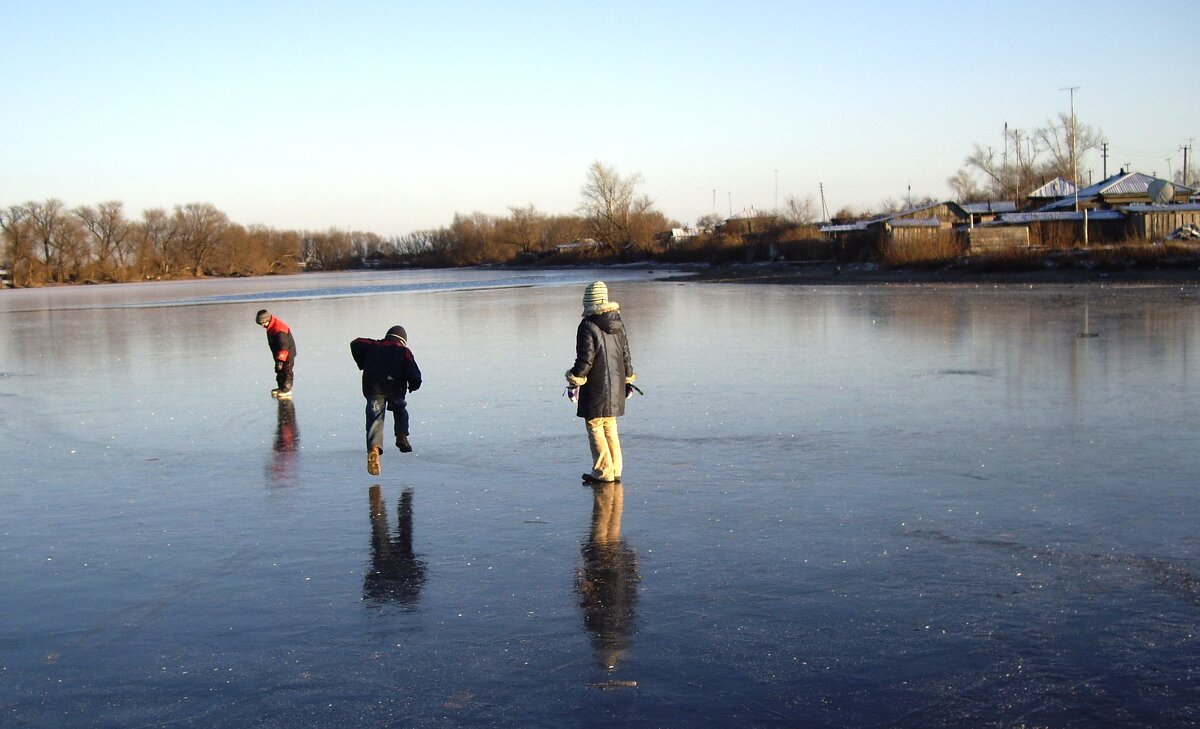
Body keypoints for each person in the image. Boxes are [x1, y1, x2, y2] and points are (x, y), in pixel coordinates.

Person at [566, 281, 636, 484]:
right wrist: (627, 379)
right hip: (615, 386)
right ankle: (615, 468)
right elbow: (626, 355)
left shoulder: (587, 326)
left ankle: (603, 471)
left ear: (588, 302)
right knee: (609, 425)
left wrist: (574, 381)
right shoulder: (618, 323)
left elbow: (585, 359)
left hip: (596, 387)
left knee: (595, 424)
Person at [351, 325, 422, 477]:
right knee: (400, 410)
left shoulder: (373, 346)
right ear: (403, 340)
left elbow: (355, 343)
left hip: (373, 389)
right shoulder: (404, 351)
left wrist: (361, 363)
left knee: (375, 419)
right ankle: (401, 436)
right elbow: (415, 374)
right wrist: (413, 385)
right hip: (395, 389)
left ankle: (374, 450)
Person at [256, 309, 296, 399]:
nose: (262, 326)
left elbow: (284, 346)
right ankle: (281, 387)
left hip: (286, 353)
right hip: (279, 353)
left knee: (286, 370)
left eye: (262, 323)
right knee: (279, 370)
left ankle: (286, 390)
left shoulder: (279, 329)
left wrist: (280, 360)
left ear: (266, 320)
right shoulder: (271, 326)